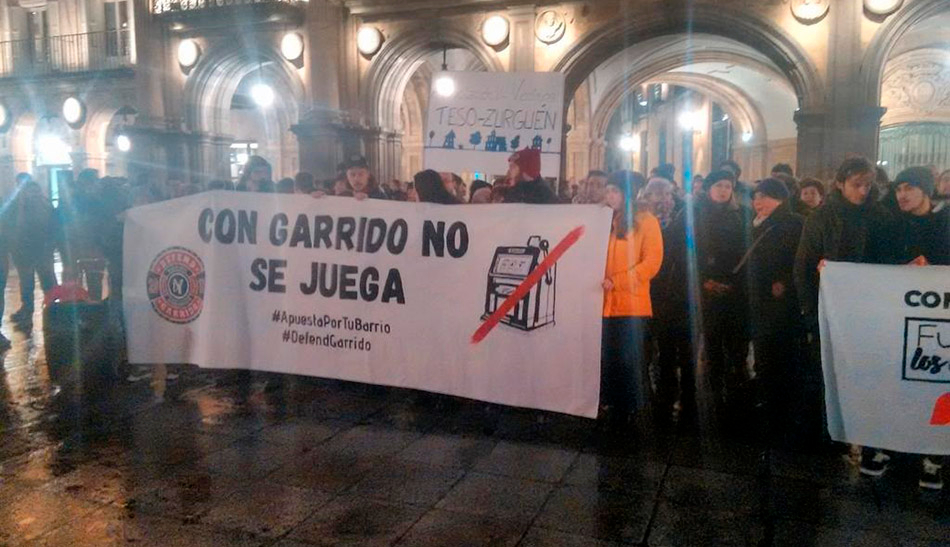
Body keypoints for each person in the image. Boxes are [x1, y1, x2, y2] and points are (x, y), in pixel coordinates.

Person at [794, 156, 894, 446]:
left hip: (869, 311)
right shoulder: (822, 217)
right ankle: (823, 431)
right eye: (856, 185)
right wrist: (810, 308)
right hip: (830, 310)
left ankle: (864, 431)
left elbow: (888, 261)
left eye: (867, 185)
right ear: (840, 184)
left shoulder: (880, 217)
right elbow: (804, 265)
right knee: (824, 371)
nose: (862, 191)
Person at [880, 166, 949, 490]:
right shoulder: (893, 223)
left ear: (925, 190)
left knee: (933, 385)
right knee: (900, 382)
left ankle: (933, 457)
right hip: (901, 316)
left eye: (909, 188)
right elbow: (877, 262)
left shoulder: (945, 221)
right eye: (898, 189)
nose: (902, 195)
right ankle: (891, 445)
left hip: (938, 320)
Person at [742, 178, 804, 442]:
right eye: (756, 197)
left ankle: (781, 412)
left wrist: (784, 282)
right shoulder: (756, 225)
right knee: (764, 354)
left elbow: (800, 260)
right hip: (758, 300)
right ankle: (767, 403)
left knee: (781, 356)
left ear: (780, 199)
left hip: (782, 303)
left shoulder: (794, 223)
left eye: (764, 197)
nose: (758, 202)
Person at [601, 172, 663, 424]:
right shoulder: (604, 219)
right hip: (603, 304)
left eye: (614, 191)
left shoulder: (646, 221)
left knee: (630, 360)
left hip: (632, 304)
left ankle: (634, 408)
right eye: (608, 190)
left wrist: (618, 281)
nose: (609, 196)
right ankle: (612, 405)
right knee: (610, 358)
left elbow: (652, 262)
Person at [690, 169, 750, 408]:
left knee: (736, 344)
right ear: (709, 189)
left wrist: (736, 282)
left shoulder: (742, 215)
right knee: (712, 341)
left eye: (727, 186)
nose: (724, 190)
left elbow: (748, 250)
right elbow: (690, 252)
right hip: (706, 287)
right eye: (719, 186)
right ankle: (712, 394)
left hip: (735, 288)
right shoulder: (695, 214)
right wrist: (704, 280)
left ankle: (737, 392)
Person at [645, 176, 696, 421]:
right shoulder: (642, 223)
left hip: (679, 296)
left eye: (666, 195)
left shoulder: (682, 222)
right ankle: (664, 397)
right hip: (652, 295)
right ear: (647, 198)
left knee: (686, 352)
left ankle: (688, 400)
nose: (662, 200)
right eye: (656, 195)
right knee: (662, 352)